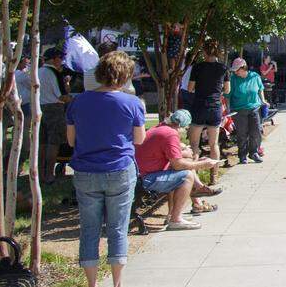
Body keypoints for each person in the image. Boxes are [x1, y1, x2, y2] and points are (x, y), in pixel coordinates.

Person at [65, 51, 146, 287]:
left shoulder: (78, 101)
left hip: (86, 170)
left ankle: (91, 283)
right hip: (119, 168)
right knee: (118, 229)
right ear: (125, 76)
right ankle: (117, 282)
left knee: (89, 229)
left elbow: (71, 141)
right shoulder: (131, 103)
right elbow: (139, 139)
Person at [134, 109, 223, 230]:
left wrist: (187, 154)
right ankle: (176, 219)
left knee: (185, 163)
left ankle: (195, 196)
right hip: (146, 178)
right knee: (186, 176)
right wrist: (202, 164)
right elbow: (178, 165)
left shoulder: (159, 128)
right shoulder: (170, 134)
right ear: (181, 126)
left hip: (142, 173)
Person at [188, 39, 228, 169]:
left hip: (200, 105)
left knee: (194, 144)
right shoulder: (223, 68)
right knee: (214, 144)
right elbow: (227, 89)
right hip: (215, 106)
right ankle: (214, 175)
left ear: (204, 51)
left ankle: (194, 173)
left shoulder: (198, 67)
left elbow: (190, 88)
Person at [39, 47, 71, 184]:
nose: (62, 61)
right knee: (54, 143)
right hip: (55, 109)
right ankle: (49, 174)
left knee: (43, 143)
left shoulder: (38, 71)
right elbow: (62, 96)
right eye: (60, 58)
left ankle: (40, 173)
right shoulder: (54, 72)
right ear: (54, 59)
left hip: (41, 108)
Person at [226, 57, 267, 164]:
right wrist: (227, 108)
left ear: (244, 68)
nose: (235, 71)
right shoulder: (233, 79)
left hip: (254, 107)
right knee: (242, 133)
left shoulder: (254, 76)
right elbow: (227, 95)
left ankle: (253, 152)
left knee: (256, 131)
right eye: (234, 70)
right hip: (239, 110)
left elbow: (260, 88)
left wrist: (263, 100)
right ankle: (242, 155)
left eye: (237, 69)